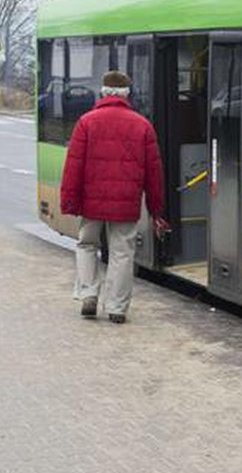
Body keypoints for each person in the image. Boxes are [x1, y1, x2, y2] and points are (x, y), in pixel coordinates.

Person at [60, 70, 168, 324]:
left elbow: (73, 167)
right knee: (122, 252)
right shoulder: (142, 125)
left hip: (91, 201)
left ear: (103, 92)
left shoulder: (87, 122)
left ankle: (88, 294)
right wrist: (156, 210)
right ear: (127, 94)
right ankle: (117, 308)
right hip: (126, 203)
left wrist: (69, 202)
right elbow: (154, 173)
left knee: (87, 245)